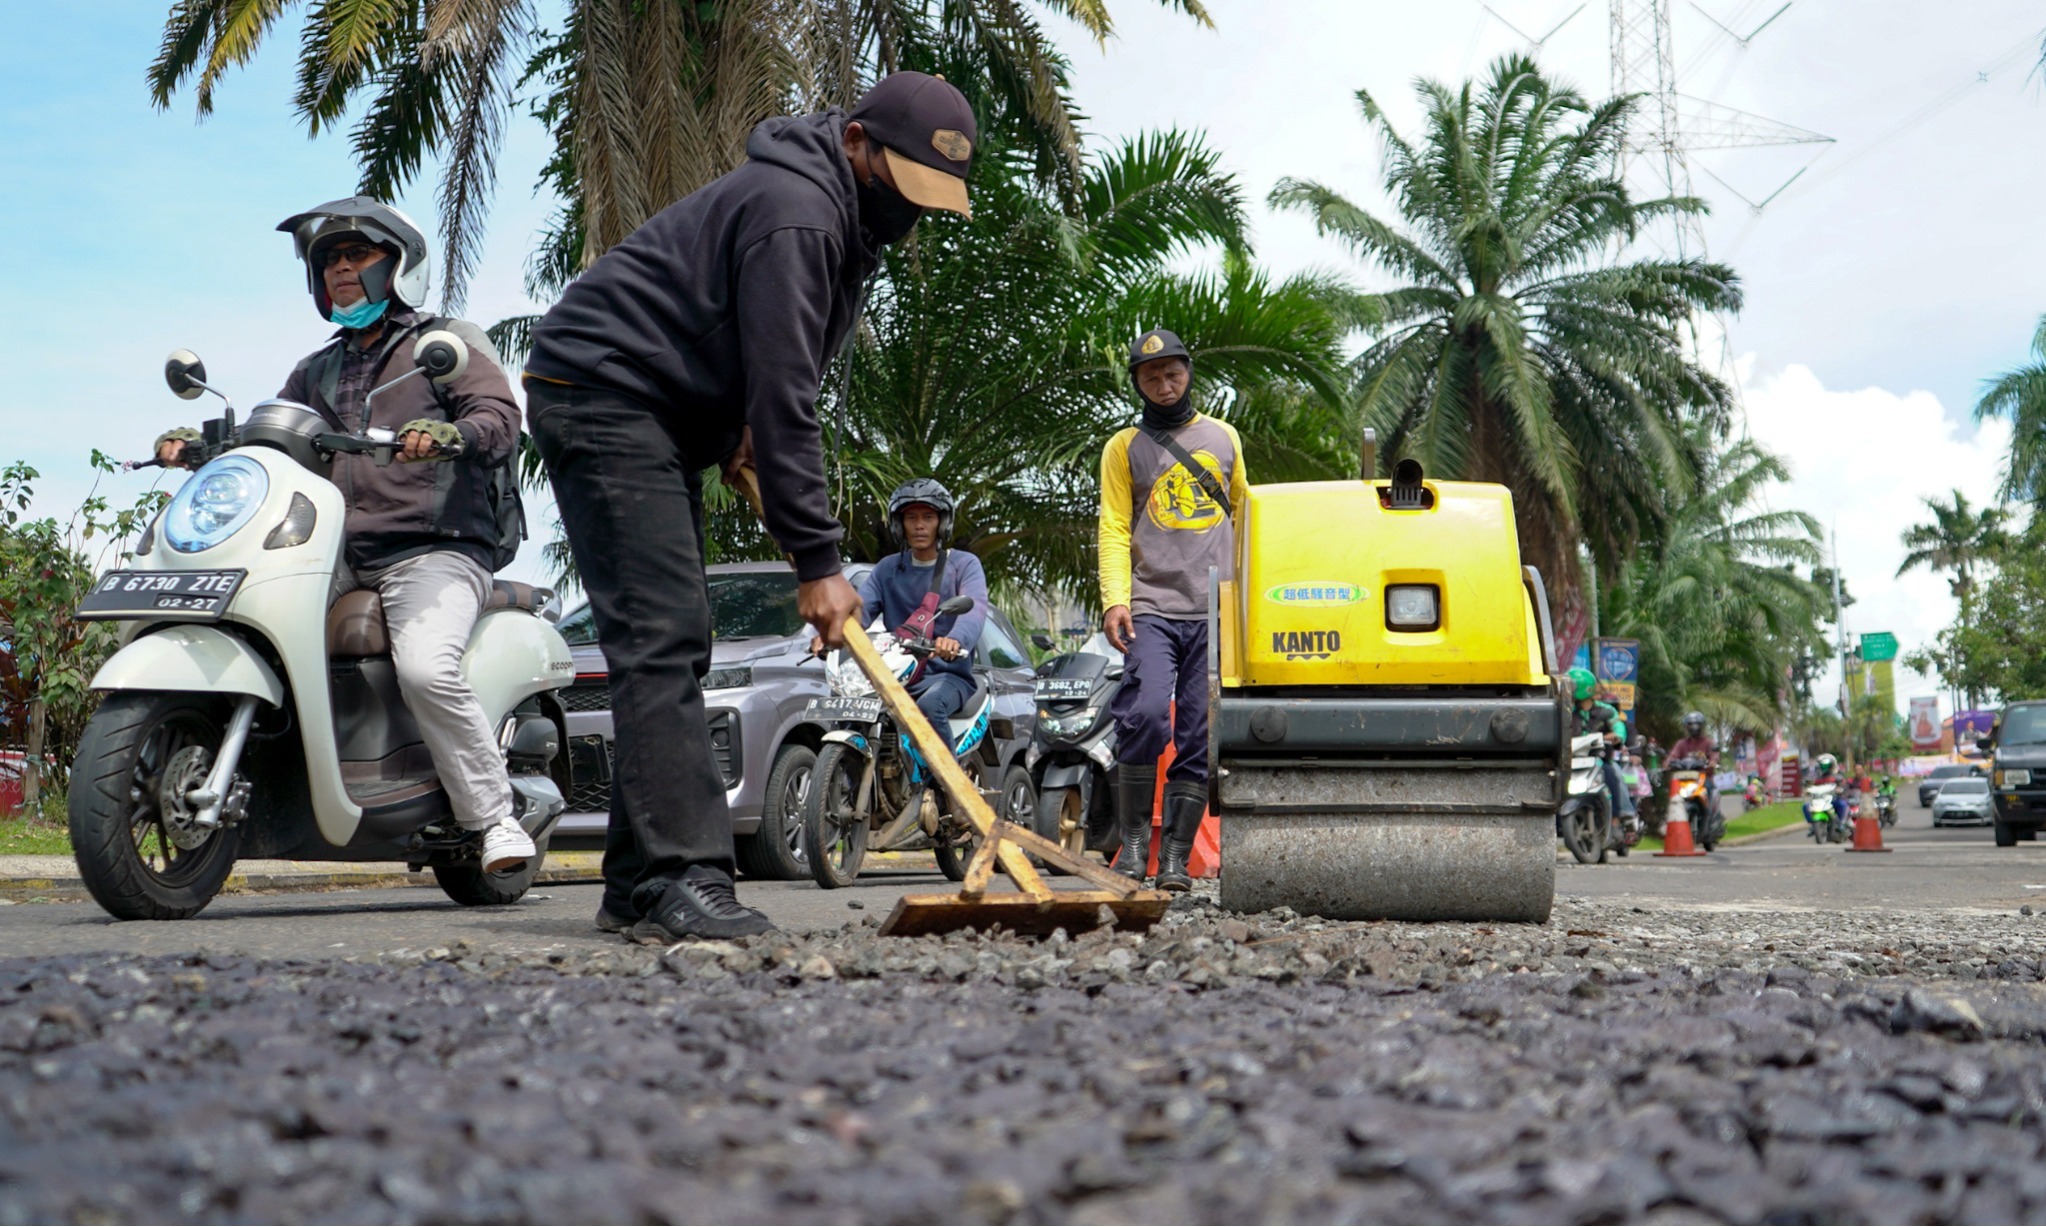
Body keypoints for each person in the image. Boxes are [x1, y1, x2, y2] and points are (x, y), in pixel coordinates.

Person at [520, 72, 976, 942]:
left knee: (672, 636)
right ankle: (682, 878)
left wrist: (737, 439)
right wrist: (818, 561)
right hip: (602, 390)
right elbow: (785, 394)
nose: (908, 212)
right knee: (662, 634)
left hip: (657, 406)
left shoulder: (841, 223)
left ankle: (633, 884)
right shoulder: (798, 212)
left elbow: (760, 371)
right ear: (856, 144)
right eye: (903, 186)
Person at [153, 197, 533, 875]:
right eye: (329, 259)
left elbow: (498, 414)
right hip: (334, 550)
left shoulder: (441, 345)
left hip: (433, 547)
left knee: (424, 665)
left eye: (358, 255)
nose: (340, 269)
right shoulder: (315, 370)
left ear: (398, 266)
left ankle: (493, 817)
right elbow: (273, 440)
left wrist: (453, 434)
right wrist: (206, 445)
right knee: (241, 613)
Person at [1098, 328, 1248, 892]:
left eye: (1172, 373)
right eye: (1150, 376)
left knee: (1198, 730)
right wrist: (1115, 598)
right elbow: (1114, 526)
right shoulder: (1123, 447)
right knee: (1143, 716)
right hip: (1151, 606)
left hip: (1214, 607)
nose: (1164, 384)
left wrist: (1247, 598)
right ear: (1137, 382)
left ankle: (1178, 861)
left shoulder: (1224, 437)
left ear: (1189, 372)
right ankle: (1135, 845)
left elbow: (1245, 518)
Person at [842, 479, 989, 751]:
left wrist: (954, 640)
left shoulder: (964, 564)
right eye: (911, 518)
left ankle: (948, 789)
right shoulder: (887, 569)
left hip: (946, 676)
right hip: (892, 675)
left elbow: (975, 609)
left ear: (942, 523)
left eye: (928, 517)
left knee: (931, 705)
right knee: (846, 707)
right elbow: (858, 611)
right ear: (899, 525)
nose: (919, 525)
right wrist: (827, 635)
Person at [1566, 667, 1637, 827]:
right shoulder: (1567, 713)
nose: (1568, 689)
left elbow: (1619, 728)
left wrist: (1616, 736)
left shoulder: (1606, 710)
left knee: (1613, 776)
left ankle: (1617, 818)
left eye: (1571, 686)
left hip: (1600, 760)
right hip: (1574, 762)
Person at [1667, 709, 1720, 812]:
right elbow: (1672, 756)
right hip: (1684, 779)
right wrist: (1668, 763)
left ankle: (1708, 816)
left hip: (1703, 779)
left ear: (1702, 726)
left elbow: (1715, 756)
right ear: (1686, 727)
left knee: (1709, 792)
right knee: (1673, 793)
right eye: (1690, 725)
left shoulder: (1709, 742)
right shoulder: (1681, 743)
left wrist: (1713, 762)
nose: (1693, 727)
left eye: (1696, 724)